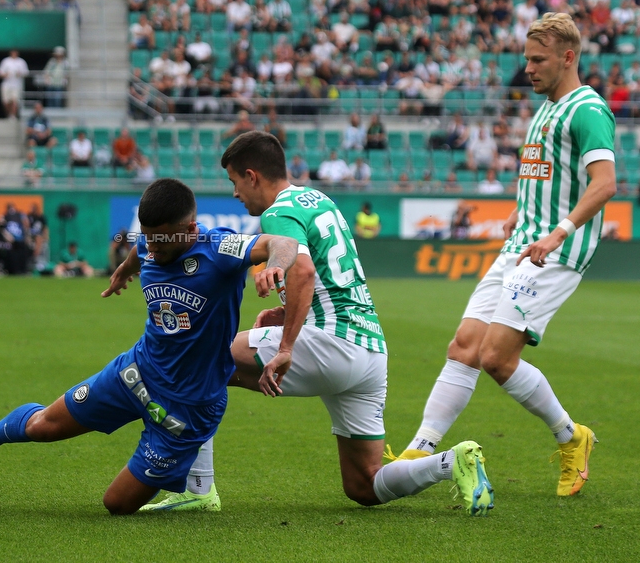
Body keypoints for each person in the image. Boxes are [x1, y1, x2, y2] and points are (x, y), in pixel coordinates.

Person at [143, 133, 494, 516]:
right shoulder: (318, 200)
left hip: (330, 342)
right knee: (364, 483)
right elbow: (330, 279)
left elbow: (305, 271)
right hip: (370, 350)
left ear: (251, 175)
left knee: (198, 359)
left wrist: (287, 346)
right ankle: (451, 461)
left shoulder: (276, 213)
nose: (235, 194)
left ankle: (197, 488)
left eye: (234, 182)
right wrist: (288, 313)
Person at [0, 178, 300, 515]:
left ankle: (196, 490)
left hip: (187, 409)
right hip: (136, 372)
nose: (151, 245)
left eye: (159, 238)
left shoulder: (219, 249)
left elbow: (283, 242)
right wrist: (125, 268)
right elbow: (140, 248)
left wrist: (275, 267)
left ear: (190, 229)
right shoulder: (152, 243)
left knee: (116, 505)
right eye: (146, 236)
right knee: (43, 427)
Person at [390, 13, 616, 498]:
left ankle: (572, 437)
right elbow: (546, 174)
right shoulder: (545, 107)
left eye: (539, 60)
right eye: (527, 59)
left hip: (553, 251)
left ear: (568, 57)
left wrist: (557, 232)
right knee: (464, 347)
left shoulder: (587, 110)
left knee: (495, 357)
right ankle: (421, 448)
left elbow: (605, 184)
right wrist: (521, 210)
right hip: (522, 243)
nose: (528, 69)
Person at [0, 49, 29, 119]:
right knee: (5, 102)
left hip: (17, 85)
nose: (14, 53)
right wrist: (5, 75)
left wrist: (20, 74)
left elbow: (26, 72)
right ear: (10, 52)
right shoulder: (5, 61)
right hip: (6, 84)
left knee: (15, 101)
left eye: (15, 52)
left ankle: (13, 116)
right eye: (13, 52)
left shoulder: (21, 62)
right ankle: (8, 114)